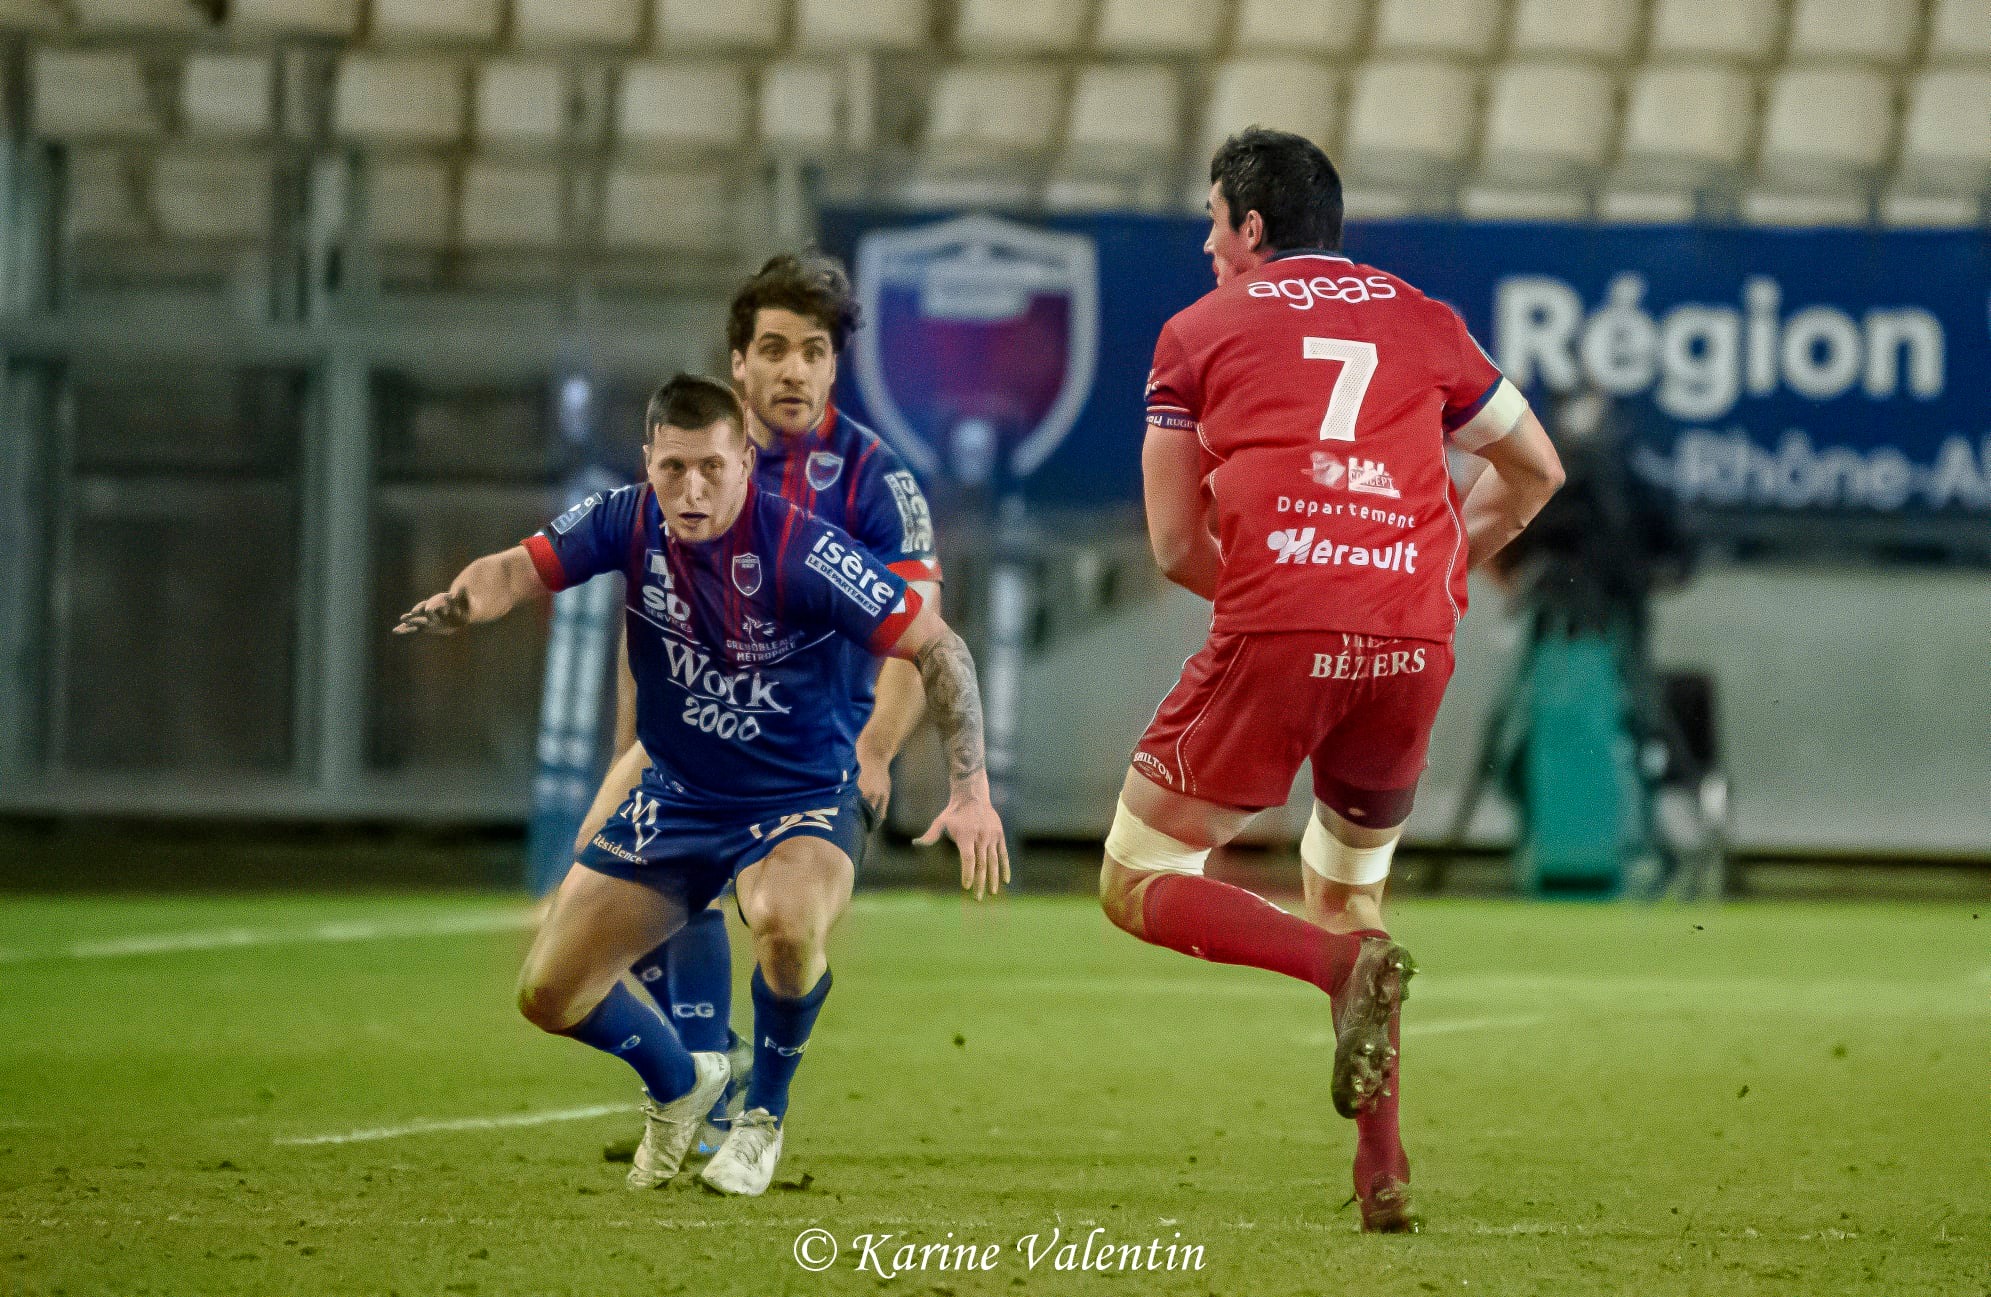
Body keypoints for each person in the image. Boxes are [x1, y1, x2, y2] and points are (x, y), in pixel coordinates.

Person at [1097, 128, 1565, 1233]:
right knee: (1352, 890)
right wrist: (1429, 565)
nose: (1208, 246)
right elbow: (1535, 470)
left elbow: (1172, 545)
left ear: (1251, 226)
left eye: (1214, 222)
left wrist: (1290, 597)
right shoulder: (1426, 319)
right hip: (1413, 643)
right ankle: (1381, 1169)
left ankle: (1327, 970)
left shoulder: (1195, 332)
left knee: (1136, 874)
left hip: (1279, 626)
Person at [395, 375, 1005, 1196]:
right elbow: (517, 568)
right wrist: (466, 600)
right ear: (648, 460)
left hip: (797, 797)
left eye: (712, 467)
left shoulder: (803, 548)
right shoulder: (625, 517)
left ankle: (762, 1120)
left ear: (744, 462)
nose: (692, 488)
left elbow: (940, 648)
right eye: (674, 466)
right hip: (680, 794)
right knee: (548, 993)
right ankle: (683, 1082)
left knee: (785, 925)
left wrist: (968, 786)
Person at [570, 253, 944, 1154]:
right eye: (772, 349)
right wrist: (632, 741)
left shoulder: (875, 484)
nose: (792, 370)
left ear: (832, 365)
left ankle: (749, 1095)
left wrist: (877, 747)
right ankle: (703, 1074)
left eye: (812, 352)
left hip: (806, 748)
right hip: (690, 733)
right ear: (737, 363)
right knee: (604, 869)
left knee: (780, 922)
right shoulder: (693, 462)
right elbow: (651, 616)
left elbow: (919, 642)